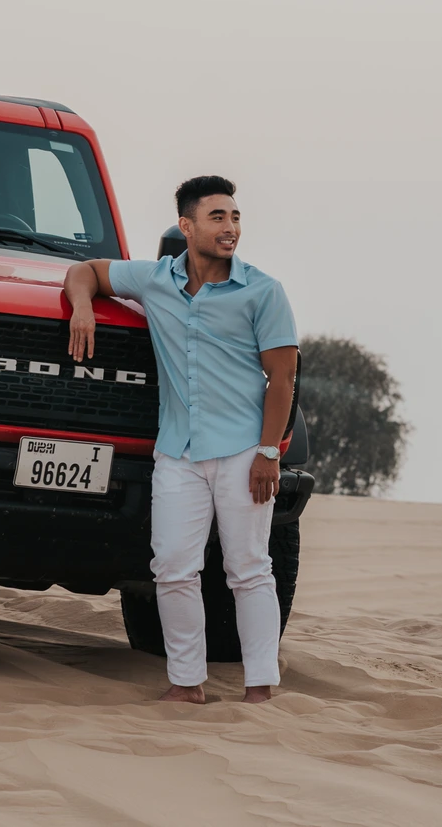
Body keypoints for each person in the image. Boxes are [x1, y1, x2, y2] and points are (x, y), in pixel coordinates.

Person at [64, 175, 299, 705]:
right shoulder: (154, 281)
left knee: (248, 569)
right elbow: (85, 271)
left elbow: (282, 379)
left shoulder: (263, 291)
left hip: (243, 451)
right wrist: (82, 307)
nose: (230, 227)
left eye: (235, 217)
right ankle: (186, 684)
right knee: (171, 569)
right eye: (217, 217)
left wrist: (268, 454)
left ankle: (260, 687)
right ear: (186, 227)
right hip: (177, 452)